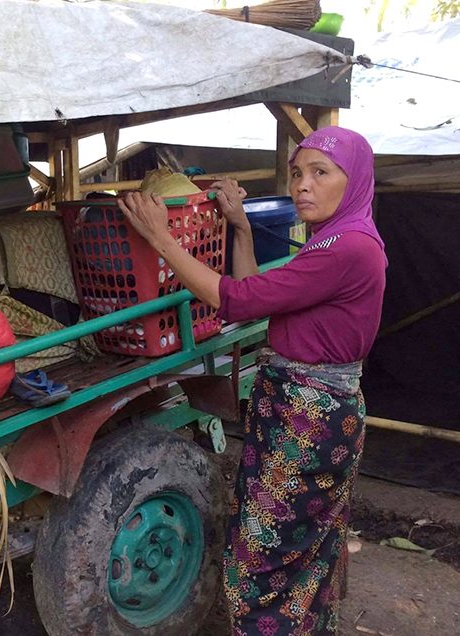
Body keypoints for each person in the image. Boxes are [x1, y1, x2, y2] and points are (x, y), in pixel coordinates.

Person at [117, 126, 386, 636]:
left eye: (320, 173)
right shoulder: (335, 238)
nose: (302, 185)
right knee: (304, 555)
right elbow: (255, 293)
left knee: (259, 564)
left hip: (309, 418)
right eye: (297, 173)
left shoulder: (348, 248)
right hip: (299, 409)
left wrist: (160, 238)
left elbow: (234, 301)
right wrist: (240, 225)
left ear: (353, 183)